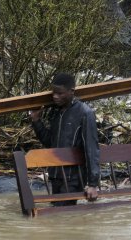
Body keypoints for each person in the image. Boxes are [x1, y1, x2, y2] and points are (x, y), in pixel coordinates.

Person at [30, 73, 100, 206]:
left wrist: (92, 184)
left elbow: (91, 149)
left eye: (60, 93)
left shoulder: (85, 113)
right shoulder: (56, 112)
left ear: (71, 91)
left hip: (73, 177)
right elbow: (49, 142)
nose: (55, 97)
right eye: (53, 93)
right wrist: (36, 121)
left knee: (61, 214)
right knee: (59, 215)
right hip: (55, 175)